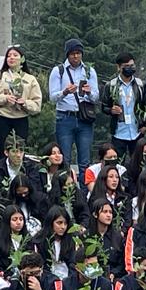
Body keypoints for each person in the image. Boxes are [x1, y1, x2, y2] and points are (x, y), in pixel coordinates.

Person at [48, 38, 99, 183]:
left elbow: (96, 98)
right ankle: (64, 191)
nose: (75, 57)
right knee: (65, 159)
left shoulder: (89, 71)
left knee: (85, 161)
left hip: (84, 119)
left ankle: (84, 194)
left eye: (78, 53)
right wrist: (65, 92)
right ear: (67, 55)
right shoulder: (59, 71)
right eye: (72, 54)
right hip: (65, 118)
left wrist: (89, 92)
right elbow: (52, 97)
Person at [0, 46, 42, 160]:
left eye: (15, 55)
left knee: (19, 151)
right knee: (2, 150)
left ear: (22, 59)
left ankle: (19, 176)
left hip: (21, 118)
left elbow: (37, 105)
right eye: (9, 56)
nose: (11, 58)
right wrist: (4, 98)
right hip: (1, 117)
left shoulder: (30, 79)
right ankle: (1, 175)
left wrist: (25, 103)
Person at [101, 52, 146, 159]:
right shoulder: (111, 85)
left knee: (138, 164)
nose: (129, 69)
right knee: (117, 163)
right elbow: (104, 107)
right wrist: (111, 110)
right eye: (126, 66)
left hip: (137, 131)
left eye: (132, 66)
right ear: (118, 67)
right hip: (118, 132)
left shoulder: (141, 85)